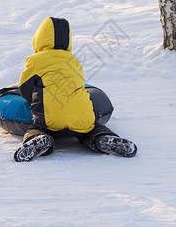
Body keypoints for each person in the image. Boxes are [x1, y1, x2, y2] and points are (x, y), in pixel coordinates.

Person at [14, 17, 137, 162]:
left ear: (39, 39)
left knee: (37, 127)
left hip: (51, 118)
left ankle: (40, 140)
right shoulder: (74, 60)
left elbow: (25, 88)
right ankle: (102, 138)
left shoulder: (35, 60)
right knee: (90, 128)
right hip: (81, 114)